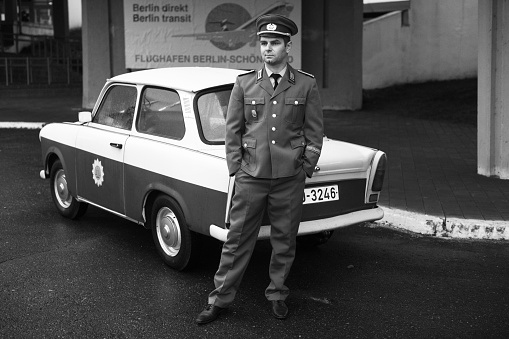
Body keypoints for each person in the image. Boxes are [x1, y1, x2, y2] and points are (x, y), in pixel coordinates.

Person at [196, 13, 324, 324]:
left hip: (288, 179)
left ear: (287, 46)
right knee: (237, 240)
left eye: (274, 43)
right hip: (251, 177)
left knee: (284, 240)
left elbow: (314, 132)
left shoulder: (305, 84)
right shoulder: (245, 84)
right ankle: (220, 299)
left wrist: (304, 167)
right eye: (264, 43)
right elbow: (233, 132)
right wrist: (236, 168)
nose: (267, 49)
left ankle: (277, 293)